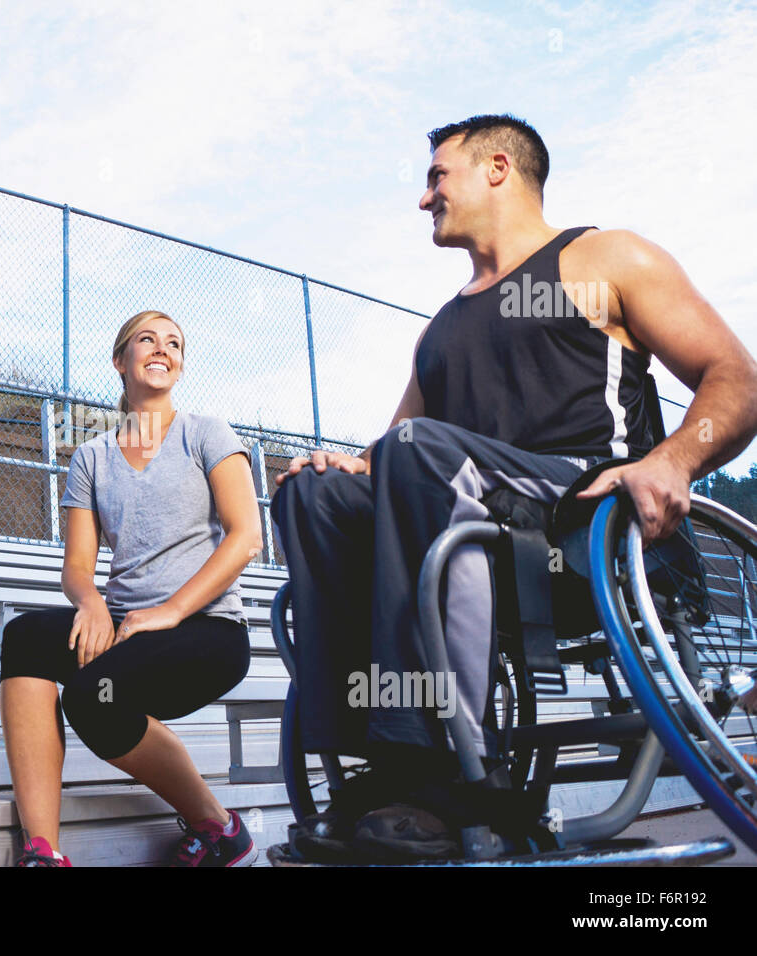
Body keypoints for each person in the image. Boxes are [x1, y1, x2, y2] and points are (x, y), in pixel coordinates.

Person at [272, 114, 757, 862]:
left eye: (437, 177)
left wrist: (674, 461)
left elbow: (737, 380)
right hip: (474, 525)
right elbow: (390, 459)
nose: (424, 198)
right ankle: (375, 771)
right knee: (314, 495)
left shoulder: (602, 258)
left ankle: (443, 775)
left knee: (419, 452)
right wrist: (344, 470)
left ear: (497, 167)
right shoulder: (440, 331)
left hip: (589, 523)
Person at [0, 310, 264, 867]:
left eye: (174, 343)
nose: (162, 348)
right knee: (25, 635)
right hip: (127, 625)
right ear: (121, 361)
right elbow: (76, 567)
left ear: (181, 364)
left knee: (92, 697)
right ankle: (42, 852)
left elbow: (246, 538)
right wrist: (92, 602)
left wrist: (170, 610)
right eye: (148, 339)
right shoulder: (92, 456)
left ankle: (217, 825)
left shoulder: (205, 433)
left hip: (207, 629)